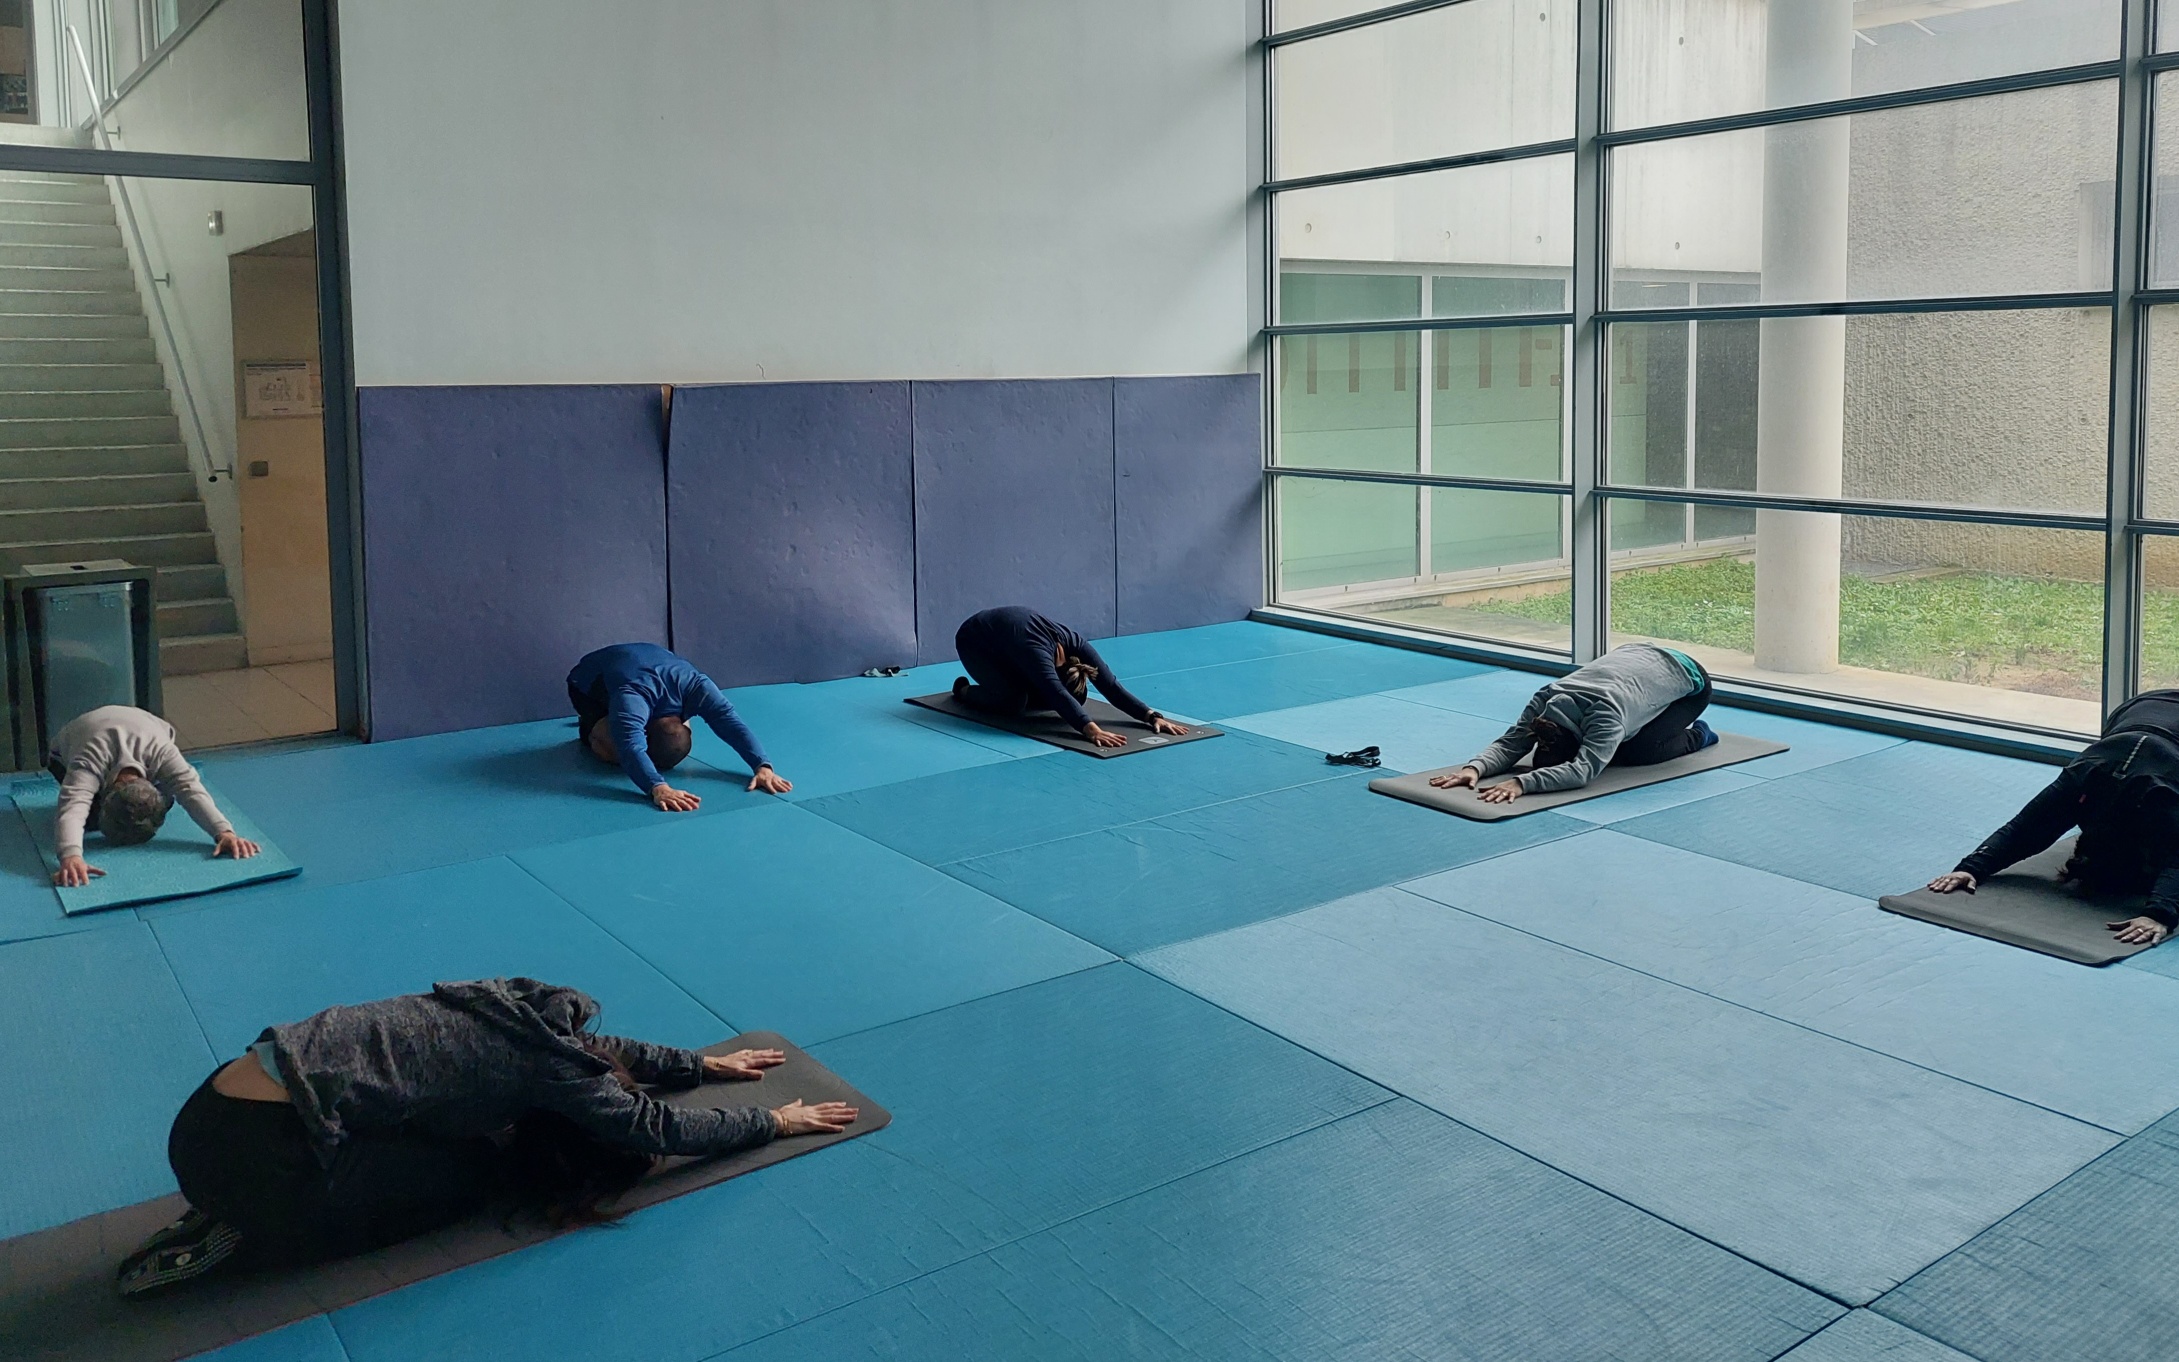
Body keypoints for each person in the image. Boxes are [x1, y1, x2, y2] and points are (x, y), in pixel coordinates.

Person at [118, 977, 858, 1296]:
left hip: (214, 1107)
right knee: (462, 1183)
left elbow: (601, 1048)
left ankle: (245, 1202)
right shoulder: (547, 1066)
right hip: (248, 1159)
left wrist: (696, 1063)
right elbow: (652, 1125)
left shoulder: (499, 1002)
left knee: (429, 1131)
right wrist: (773, 1121)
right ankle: (235, 1234)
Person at [1924, 689, 2179, 947]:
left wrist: (2159, 913)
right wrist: (1971, 868)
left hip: (2144, 707)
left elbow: (2025, 829)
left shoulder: (2087, 785)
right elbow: (2025, 831)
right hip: (2139, 713)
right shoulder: (2095, 786)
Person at [1429, 642, 1719, 804]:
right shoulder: (1546, 701)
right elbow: (1511, 744)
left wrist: (1521, 783)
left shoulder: (1606, 716)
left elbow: (1581, 772)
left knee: (1637, 751)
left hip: (1691, 681)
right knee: (1616, 746)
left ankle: (1699, 734)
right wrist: (1473, 768)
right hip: (1634, 655)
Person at [46, 704, 259, 887]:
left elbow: (191, 790)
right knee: (89, 821)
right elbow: (73, 806)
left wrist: (224, 832)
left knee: (166, 797)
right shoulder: (88, 761)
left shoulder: (162, 752)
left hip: (146, 727)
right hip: (66, 749)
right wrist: (71, 856)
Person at [567, 642, 791, 810]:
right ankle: (589, 729)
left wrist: (762, 766)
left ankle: (629, 726)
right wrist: (658, 788)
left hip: (649, 663)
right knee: (613, 747)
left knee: (673, 744)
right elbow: (630, 748)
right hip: (587, 682)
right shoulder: (631, 697)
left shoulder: (699, 687)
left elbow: (732, 724)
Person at [951, 606, 1189, 749]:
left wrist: (1151, 716)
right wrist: (1091, 730)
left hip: (1007, 640)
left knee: (1057, 695)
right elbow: (1056, 692)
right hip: (974, 641)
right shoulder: (1037, 654)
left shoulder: (1077, 645)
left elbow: (1111, 686)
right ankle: (964, 691)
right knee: (1014, 701)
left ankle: (1019, 683)